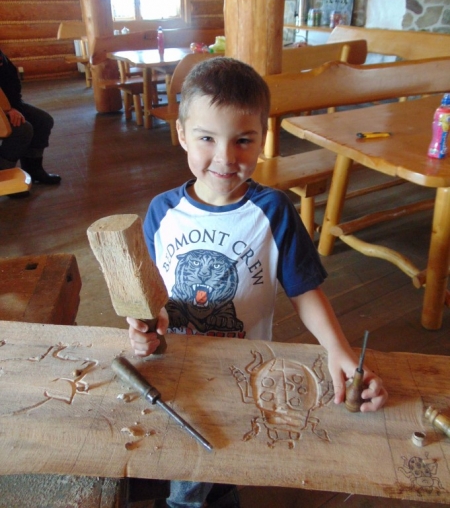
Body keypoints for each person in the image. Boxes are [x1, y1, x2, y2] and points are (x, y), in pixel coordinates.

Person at [127, 57, 388, 508]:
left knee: (225, 455)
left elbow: (304, 291)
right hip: (177, 366)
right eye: (207, 138)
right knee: (183, 468)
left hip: (246, 369)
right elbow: (152, 294)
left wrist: (337, 349)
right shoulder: (161, 212)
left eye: (243, 140)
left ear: (262, 139)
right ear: (182, 134)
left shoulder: (274, 211)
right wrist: (143, 328)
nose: (225, 157)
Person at [0, 49, 61, 188]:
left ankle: (33, 170)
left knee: (42, 120)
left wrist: (13, 107)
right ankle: (4, 177)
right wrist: (7, 111)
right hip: (3, 109)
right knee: (22, 129)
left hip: (10, 105)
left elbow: (10, 82)